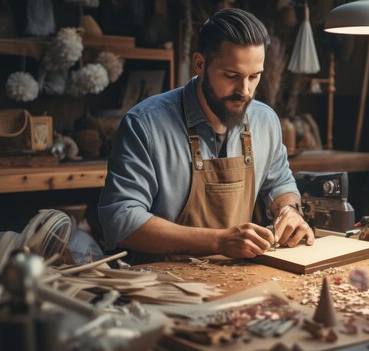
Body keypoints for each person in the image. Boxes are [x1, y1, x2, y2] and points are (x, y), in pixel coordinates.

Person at [98, 8, 314, 263]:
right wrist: (218, 240)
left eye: (254, 77)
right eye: (232, 76)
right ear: (200, 64)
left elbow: (280, 183)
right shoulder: (145, 124)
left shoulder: (264, 120)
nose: (245, 91)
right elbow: (120, 220)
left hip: (239, 276)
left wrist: (288, 209)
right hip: (163, 285)